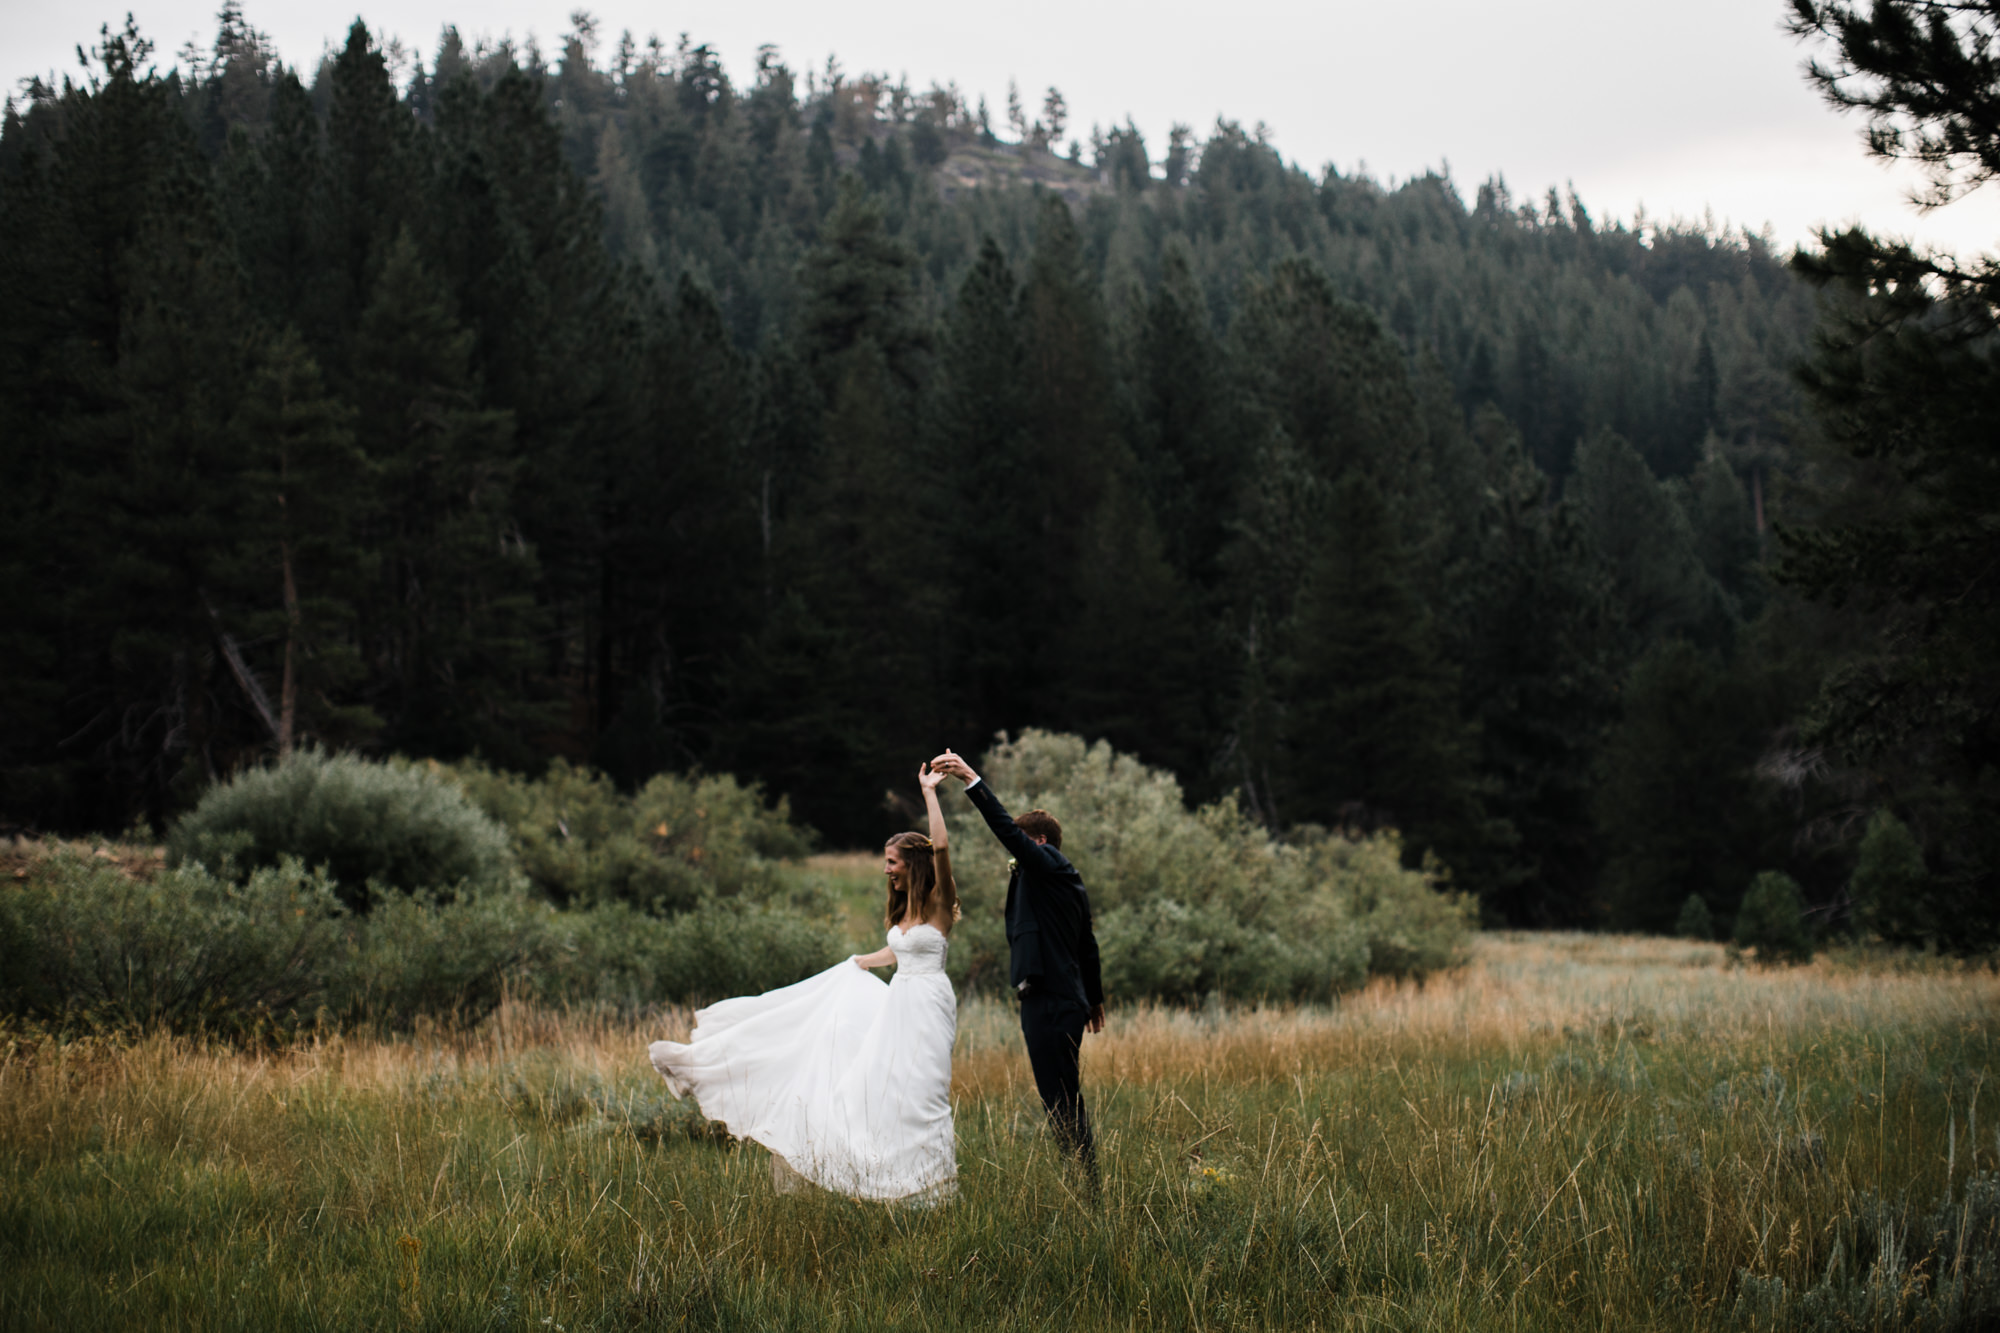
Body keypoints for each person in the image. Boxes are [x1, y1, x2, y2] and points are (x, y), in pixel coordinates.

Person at [647, 762, 960, 1203]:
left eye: (892, 862)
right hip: (898, 1004)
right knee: (884, 1091)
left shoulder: (939, 904)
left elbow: (942, 848)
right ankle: (894, 1184)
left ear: (912, 863)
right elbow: (902, 951)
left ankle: (936, 1194)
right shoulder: (905, 910)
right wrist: (860, 963)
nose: (886, 870)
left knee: (924, 1092)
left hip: (928, 1004)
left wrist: (929, 793)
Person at [929, 749, 1103, 1183]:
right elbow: (1088, 945)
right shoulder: (1063, 881)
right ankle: (1082, 1180)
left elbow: (1006, 829)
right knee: (1059, 1097)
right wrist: (1094, 999)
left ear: (1038, 844)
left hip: (1051, 1000)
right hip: (1059, 999)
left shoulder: (1050, 867)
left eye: (1024, 848)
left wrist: (971, 778)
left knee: (1061, 1099)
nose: (1017, 857)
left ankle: (1088, 1185)